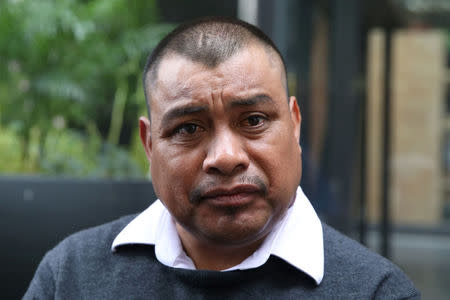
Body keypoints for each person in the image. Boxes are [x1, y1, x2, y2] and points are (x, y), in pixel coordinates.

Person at [24, 17, 419, 299]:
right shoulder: (71, 276)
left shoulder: (376, 291)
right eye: (188, 129)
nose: (226, 158)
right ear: (149, 145)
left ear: (295, 125)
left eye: (254, 120)